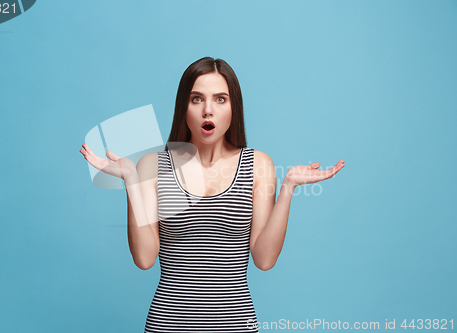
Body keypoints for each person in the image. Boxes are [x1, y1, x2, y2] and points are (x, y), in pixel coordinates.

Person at [80, 57, 345, 332]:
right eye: (197, 99)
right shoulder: (152, 166)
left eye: (220, 99)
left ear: (234, 108)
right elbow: (145, 259)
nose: (208, 110)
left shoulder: (258, 166)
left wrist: (288, 187)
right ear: (184, 106)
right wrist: (131, 180)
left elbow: (264, 260)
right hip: (168, 325)